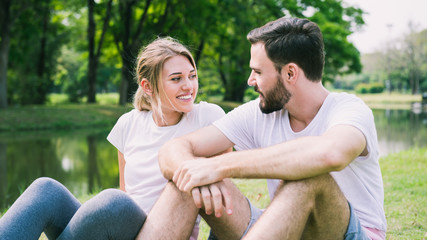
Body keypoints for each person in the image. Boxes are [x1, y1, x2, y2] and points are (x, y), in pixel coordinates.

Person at [159, 17, 387, 240]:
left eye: (258, 72)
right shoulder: (258, 113)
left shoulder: (350, 111)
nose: (250, 80)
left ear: (290, 73)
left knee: (309, 178)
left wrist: (217, 165)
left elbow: (330, 154)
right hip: (285, 229)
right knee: (187, 180)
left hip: (351, 233)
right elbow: (173, 149)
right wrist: (194, 171)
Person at [0, 37, 226, 240]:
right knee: (46, 190)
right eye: (176, 79)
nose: (189, 86)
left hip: (163, 231)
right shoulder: (128, 124)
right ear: (147, 86)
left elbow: (223, 195)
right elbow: (126, 191)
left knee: (113, 202)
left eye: (192, 76)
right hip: (123, 228)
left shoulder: (207, 118)